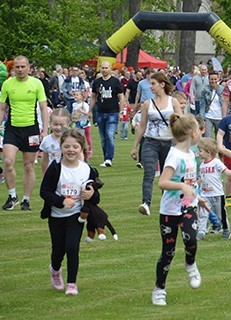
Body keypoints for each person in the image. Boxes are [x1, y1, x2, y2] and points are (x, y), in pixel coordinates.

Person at [40, 129, 99, 295]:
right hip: (56, 216)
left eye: (75, 146)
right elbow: (44, 192)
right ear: (61, 148)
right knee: (58, 249)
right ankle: (55, 269)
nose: (71, 150)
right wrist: (61, 201)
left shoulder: (88, 170)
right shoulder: (55, 169)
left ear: (81, 148)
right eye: (66, 146)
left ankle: (72, 283)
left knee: (72, 246)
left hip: (76, 216)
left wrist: (91, 194)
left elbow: (96, 196)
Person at [151, 113, 202, 306]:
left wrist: (198, 197)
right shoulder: (174, 155)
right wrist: (181, 187)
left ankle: (190, 263)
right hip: (169, 211)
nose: (200, 133)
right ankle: (159, 289)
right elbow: (162, 183)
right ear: (191, 132)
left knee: (191, 238)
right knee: (168, 252)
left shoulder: (191, 154)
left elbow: (190, 182)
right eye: (198, 129)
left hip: (189, 206)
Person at [0, 55, 50, 211]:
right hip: (12, 128)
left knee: (28, 166)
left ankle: (26, 199)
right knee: (7, 162)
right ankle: (12, 196)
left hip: (31, 129)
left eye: (23, 66)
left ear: (29, 68)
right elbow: (1, 107)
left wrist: (45, 130)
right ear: (13, 69)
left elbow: (44, 108)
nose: (20, 69)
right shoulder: (7, 84)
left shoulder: (36, 83)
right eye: (17, 67)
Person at [131, 73, 184, 216]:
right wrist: (135, 146)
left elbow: (181, 122)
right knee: (148, 173)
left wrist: (183, 141)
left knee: (166, 176)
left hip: (169, 143)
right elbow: (142, 126)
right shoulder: (147, 104)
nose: (151, 86)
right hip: (150, 141)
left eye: (153, 83)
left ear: (162, 84)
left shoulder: (173, 102)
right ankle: (146, 203)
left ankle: (166, 204)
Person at [90, 61, 127, 167]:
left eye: (106, 68)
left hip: (113, 112)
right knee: (103, 138)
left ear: (110, 69)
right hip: (100, 112)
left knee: (110, 135)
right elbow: (93, 97)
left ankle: (109, 158)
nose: (104, 70)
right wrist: (90, 110)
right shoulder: (97, 82)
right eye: (103, 68)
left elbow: (121, 97)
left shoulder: (115, 82)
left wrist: (121, 112)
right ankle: (106, 157)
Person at [196, 137, 231, 240]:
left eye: (200, 151)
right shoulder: (202, 166)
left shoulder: (216, 162)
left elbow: (226, 171)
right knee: (203, 213)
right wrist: (195, 183)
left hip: (217, 194)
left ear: (208, 152)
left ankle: (226, 229)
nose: (199, 153)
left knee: (220, 214)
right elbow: (202, 178)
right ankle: (201, 232)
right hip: (205, 194)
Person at [39, 109, 71, 174]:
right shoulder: (46, 140)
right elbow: (45, 160)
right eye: (55, 124)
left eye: (62, 125)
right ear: (50, 123)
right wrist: (45, 177)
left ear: (68, 124)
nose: (58, 127)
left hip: (69, 174)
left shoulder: (72, 140)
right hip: (53, 175)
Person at [200, 71, 224, 138]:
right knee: (207, 137)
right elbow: (202, 105)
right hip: (208, 116)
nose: (213, 81)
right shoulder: (205, 90)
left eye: (215, 79)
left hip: (219, 117)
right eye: (212, 79)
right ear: (209, 80)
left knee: (219, 138)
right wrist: (202, 118)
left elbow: (225, 104)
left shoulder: (222, 89)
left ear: (218, 79)